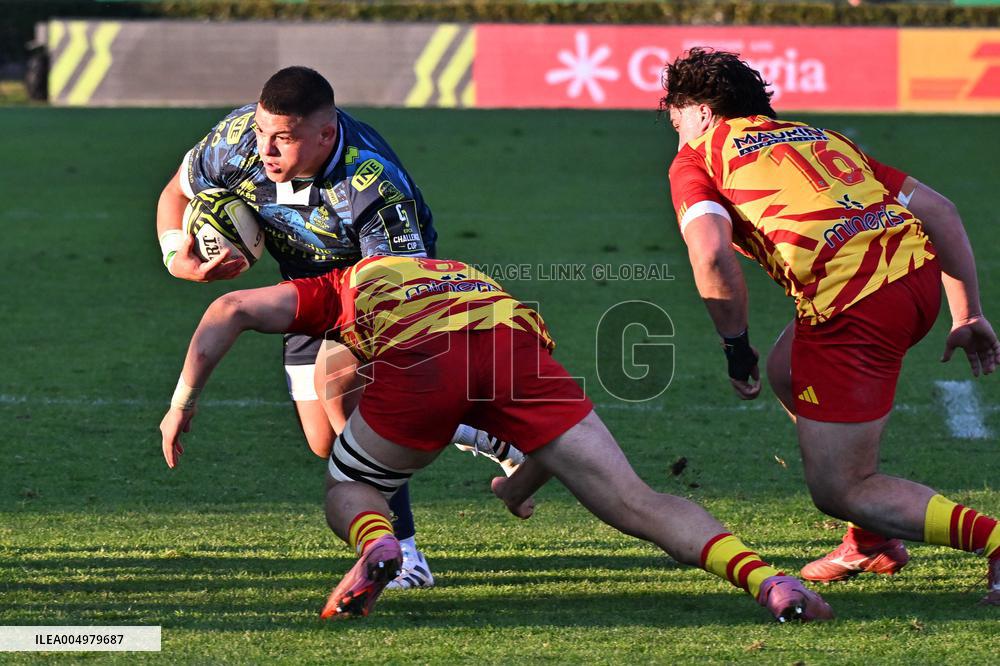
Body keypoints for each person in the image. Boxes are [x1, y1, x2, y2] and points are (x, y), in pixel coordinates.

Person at [158, 254, 833, 623]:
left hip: (423, 361)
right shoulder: (466, 274)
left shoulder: (341, 285)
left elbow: (232, 307)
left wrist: (183, 402)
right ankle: (766, 580)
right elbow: (544, 440)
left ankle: (378, 540)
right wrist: (515, 490)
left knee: (349, 484)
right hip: (515, 347)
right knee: (636, 501)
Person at [154, 65, 518, 590]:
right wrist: (175, 257)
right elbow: (175, 192)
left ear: (325, 134)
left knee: (344, 394)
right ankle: (476, 430)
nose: (266, 150)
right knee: (328, 444)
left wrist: (349, 356)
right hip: (303, 289)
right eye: (263, 131)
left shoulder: (371, 182)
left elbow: (390, 296)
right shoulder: (235, 143)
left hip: (385, 282)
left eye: (284, 138)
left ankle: (406, 555)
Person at [661, 47, 1000, 603]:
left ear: (697, 111)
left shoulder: (698, 158)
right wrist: (967, 313)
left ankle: (987, 539)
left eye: (674, 118)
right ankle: (871, 539)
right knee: (786, 368)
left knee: (841, 487)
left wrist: (734, 349)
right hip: (913, 277)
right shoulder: (817, 137)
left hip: (855, 307)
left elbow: (712, 259)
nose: (675, 131)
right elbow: (939, 210)